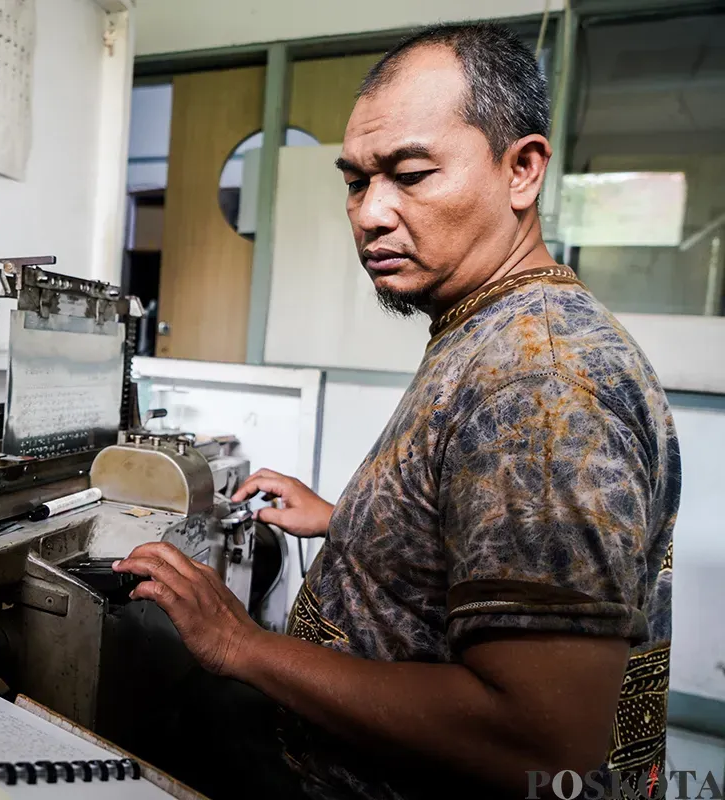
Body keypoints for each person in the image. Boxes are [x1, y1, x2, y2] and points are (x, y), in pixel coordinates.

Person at [114, 22, 679, 800]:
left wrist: (239, 644)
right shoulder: (492, 325)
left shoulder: (542, 386)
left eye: (410, 174)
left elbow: (538, 741)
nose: (371, 213)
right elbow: (489, 528)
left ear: (523, 170)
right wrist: (353, 521)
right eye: (356, 181)